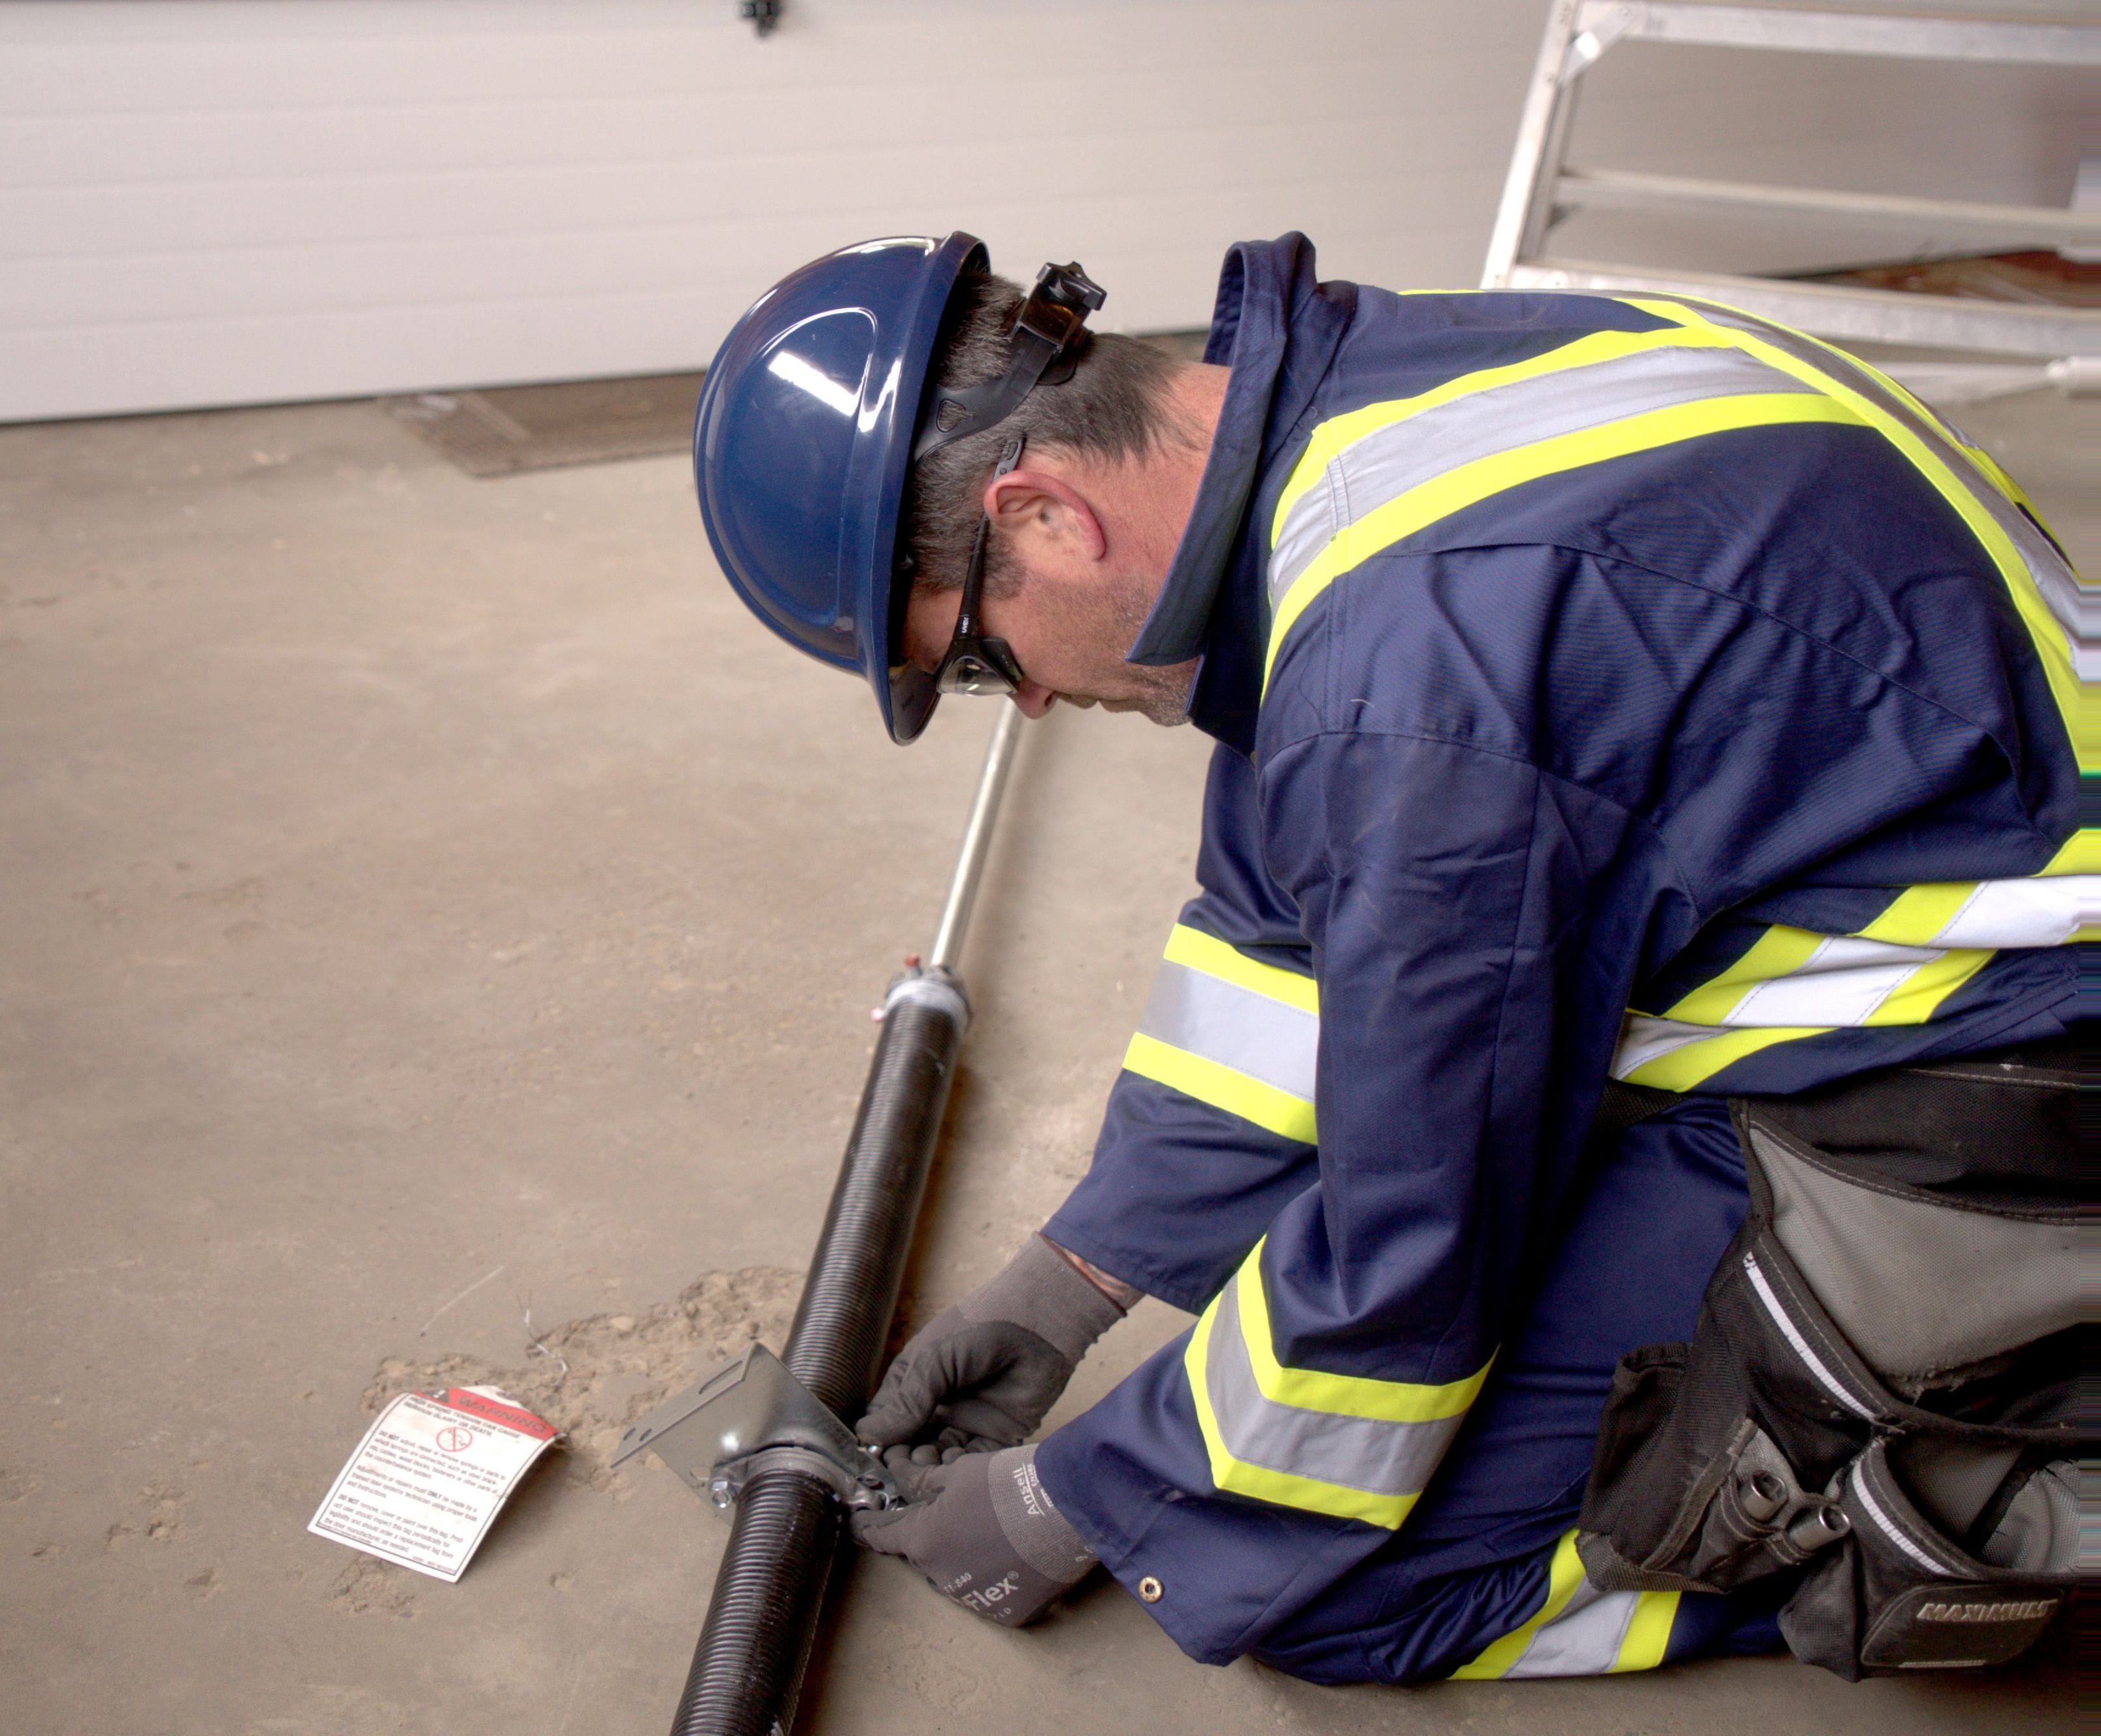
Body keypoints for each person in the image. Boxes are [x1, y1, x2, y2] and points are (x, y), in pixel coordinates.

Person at [688, 233, 2087, 1684]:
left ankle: (1907, 1544)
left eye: (978, 656)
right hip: (1952, 874)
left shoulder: (1411, 691)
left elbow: (1412, 1232)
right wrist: (1078, 1276)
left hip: (1991, 1081)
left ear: (1038, 511)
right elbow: (1284, 924)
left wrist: (1096, 1494)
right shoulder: (1358, 412)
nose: (1026, 701)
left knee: (1320, 1592)